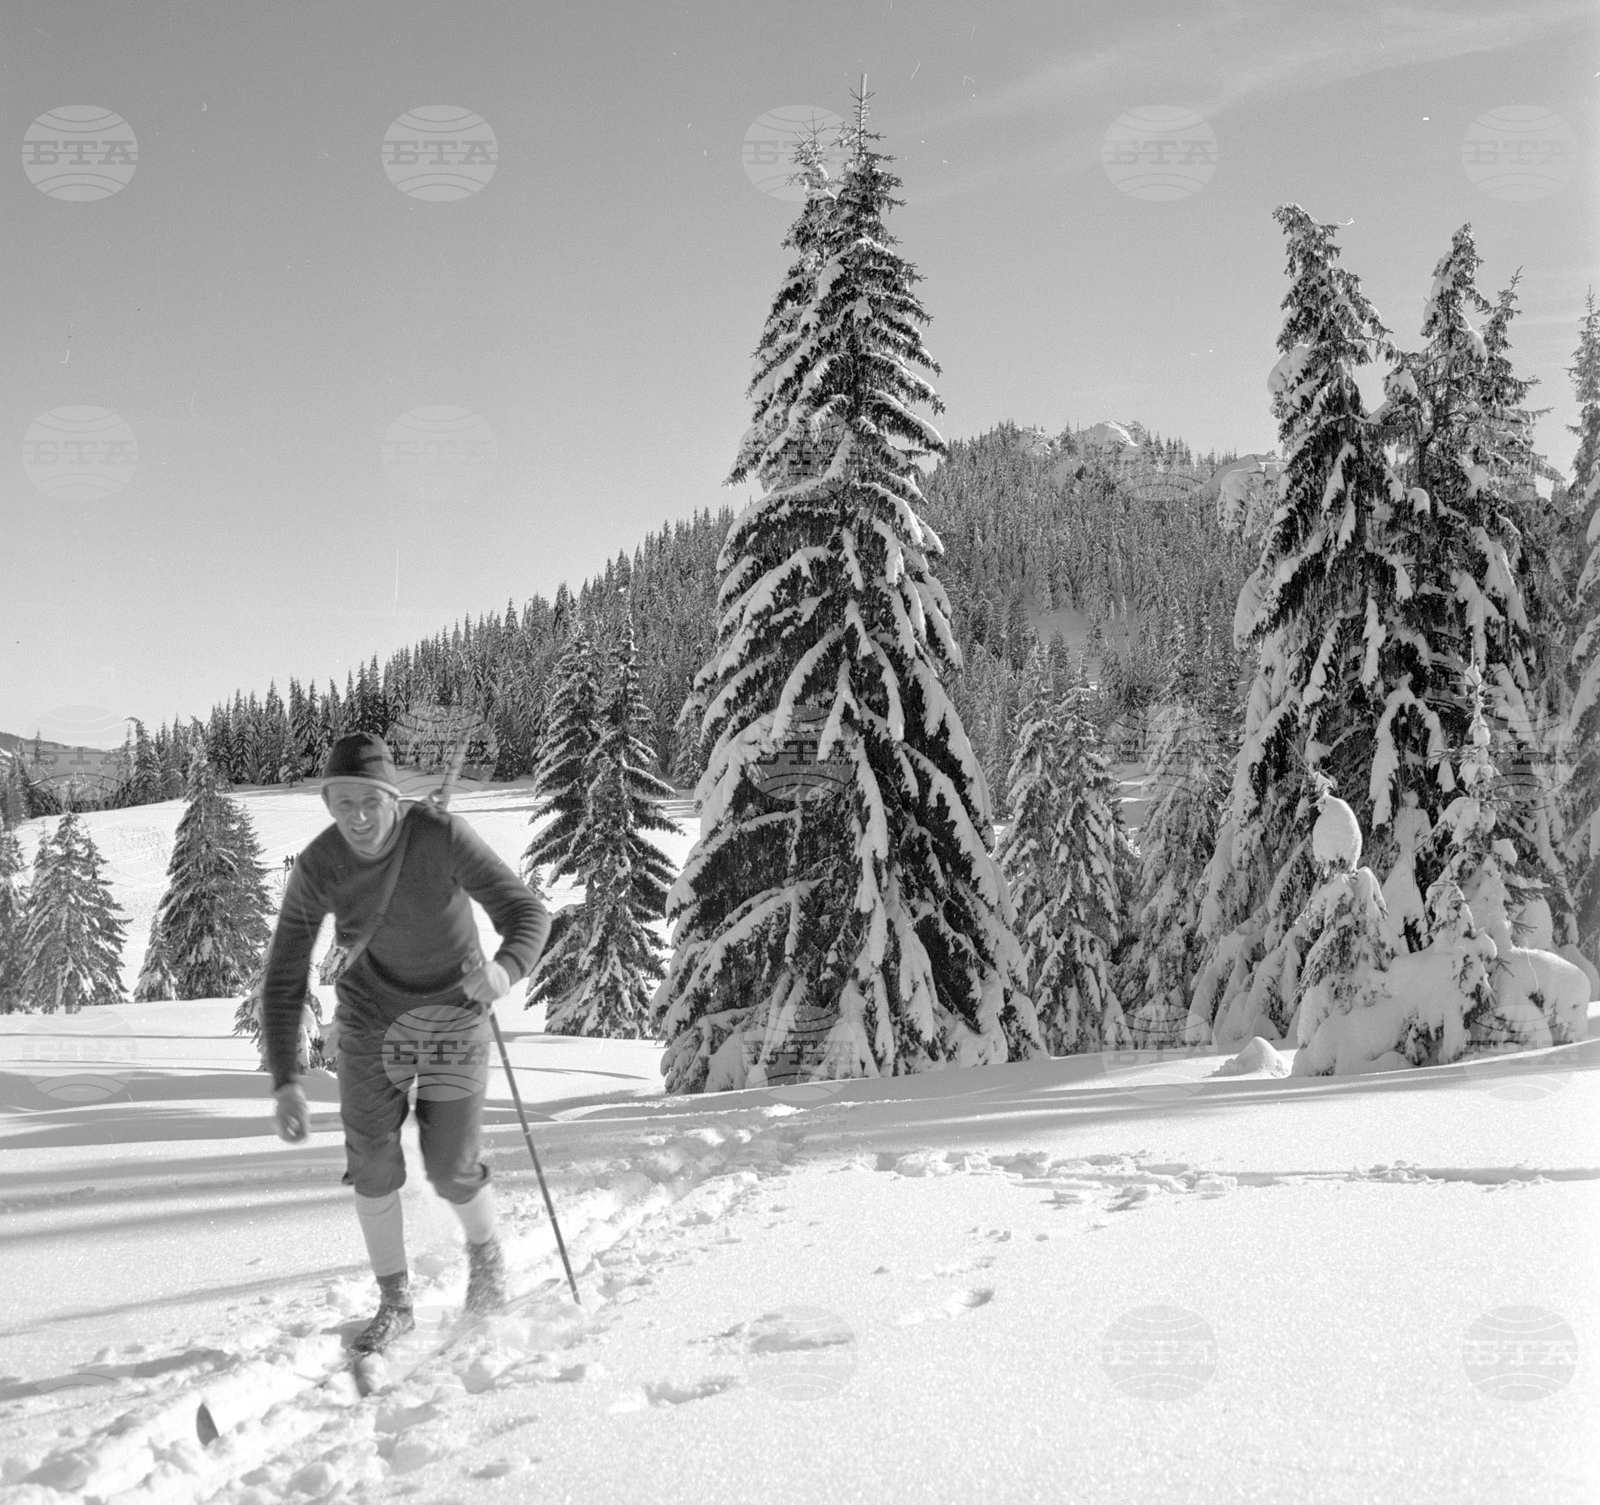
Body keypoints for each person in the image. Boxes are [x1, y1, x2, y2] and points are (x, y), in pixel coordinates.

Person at [262, 732, 549, 1356]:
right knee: (371, 1162)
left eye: (371, 800)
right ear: (327, 804)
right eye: (343, 803)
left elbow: (527, 913)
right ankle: (395, 1303)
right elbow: (285, 974)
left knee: (450, 1167)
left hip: (453, 1013)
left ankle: (487, 1258)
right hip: (371, 1019)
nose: (358, 818)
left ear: (393, 798)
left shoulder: (441, 836)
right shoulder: (319, 864)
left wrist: (504, 970)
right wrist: (285, 1080)